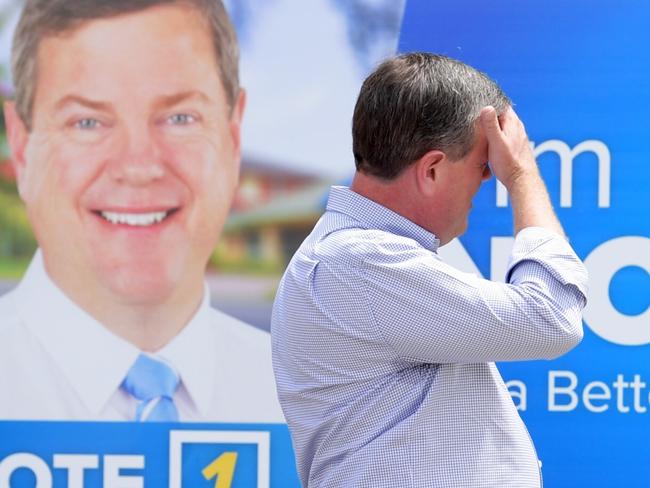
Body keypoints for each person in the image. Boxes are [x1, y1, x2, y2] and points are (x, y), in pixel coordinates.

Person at [271, 53, 588, 487]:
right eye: (483, 166)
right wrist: (522, 174)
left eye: (494, 168)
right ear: (433, 169)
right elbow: (551, 317)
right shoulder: (360, 261)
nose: (487, 181)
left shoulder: (360, 259)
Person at [0, 0, 284, 423]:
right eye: (87, 122)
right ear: (22, 149)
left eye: (180, 117)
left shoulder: (316, 413)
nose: (138, 167)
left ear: (233, 137)